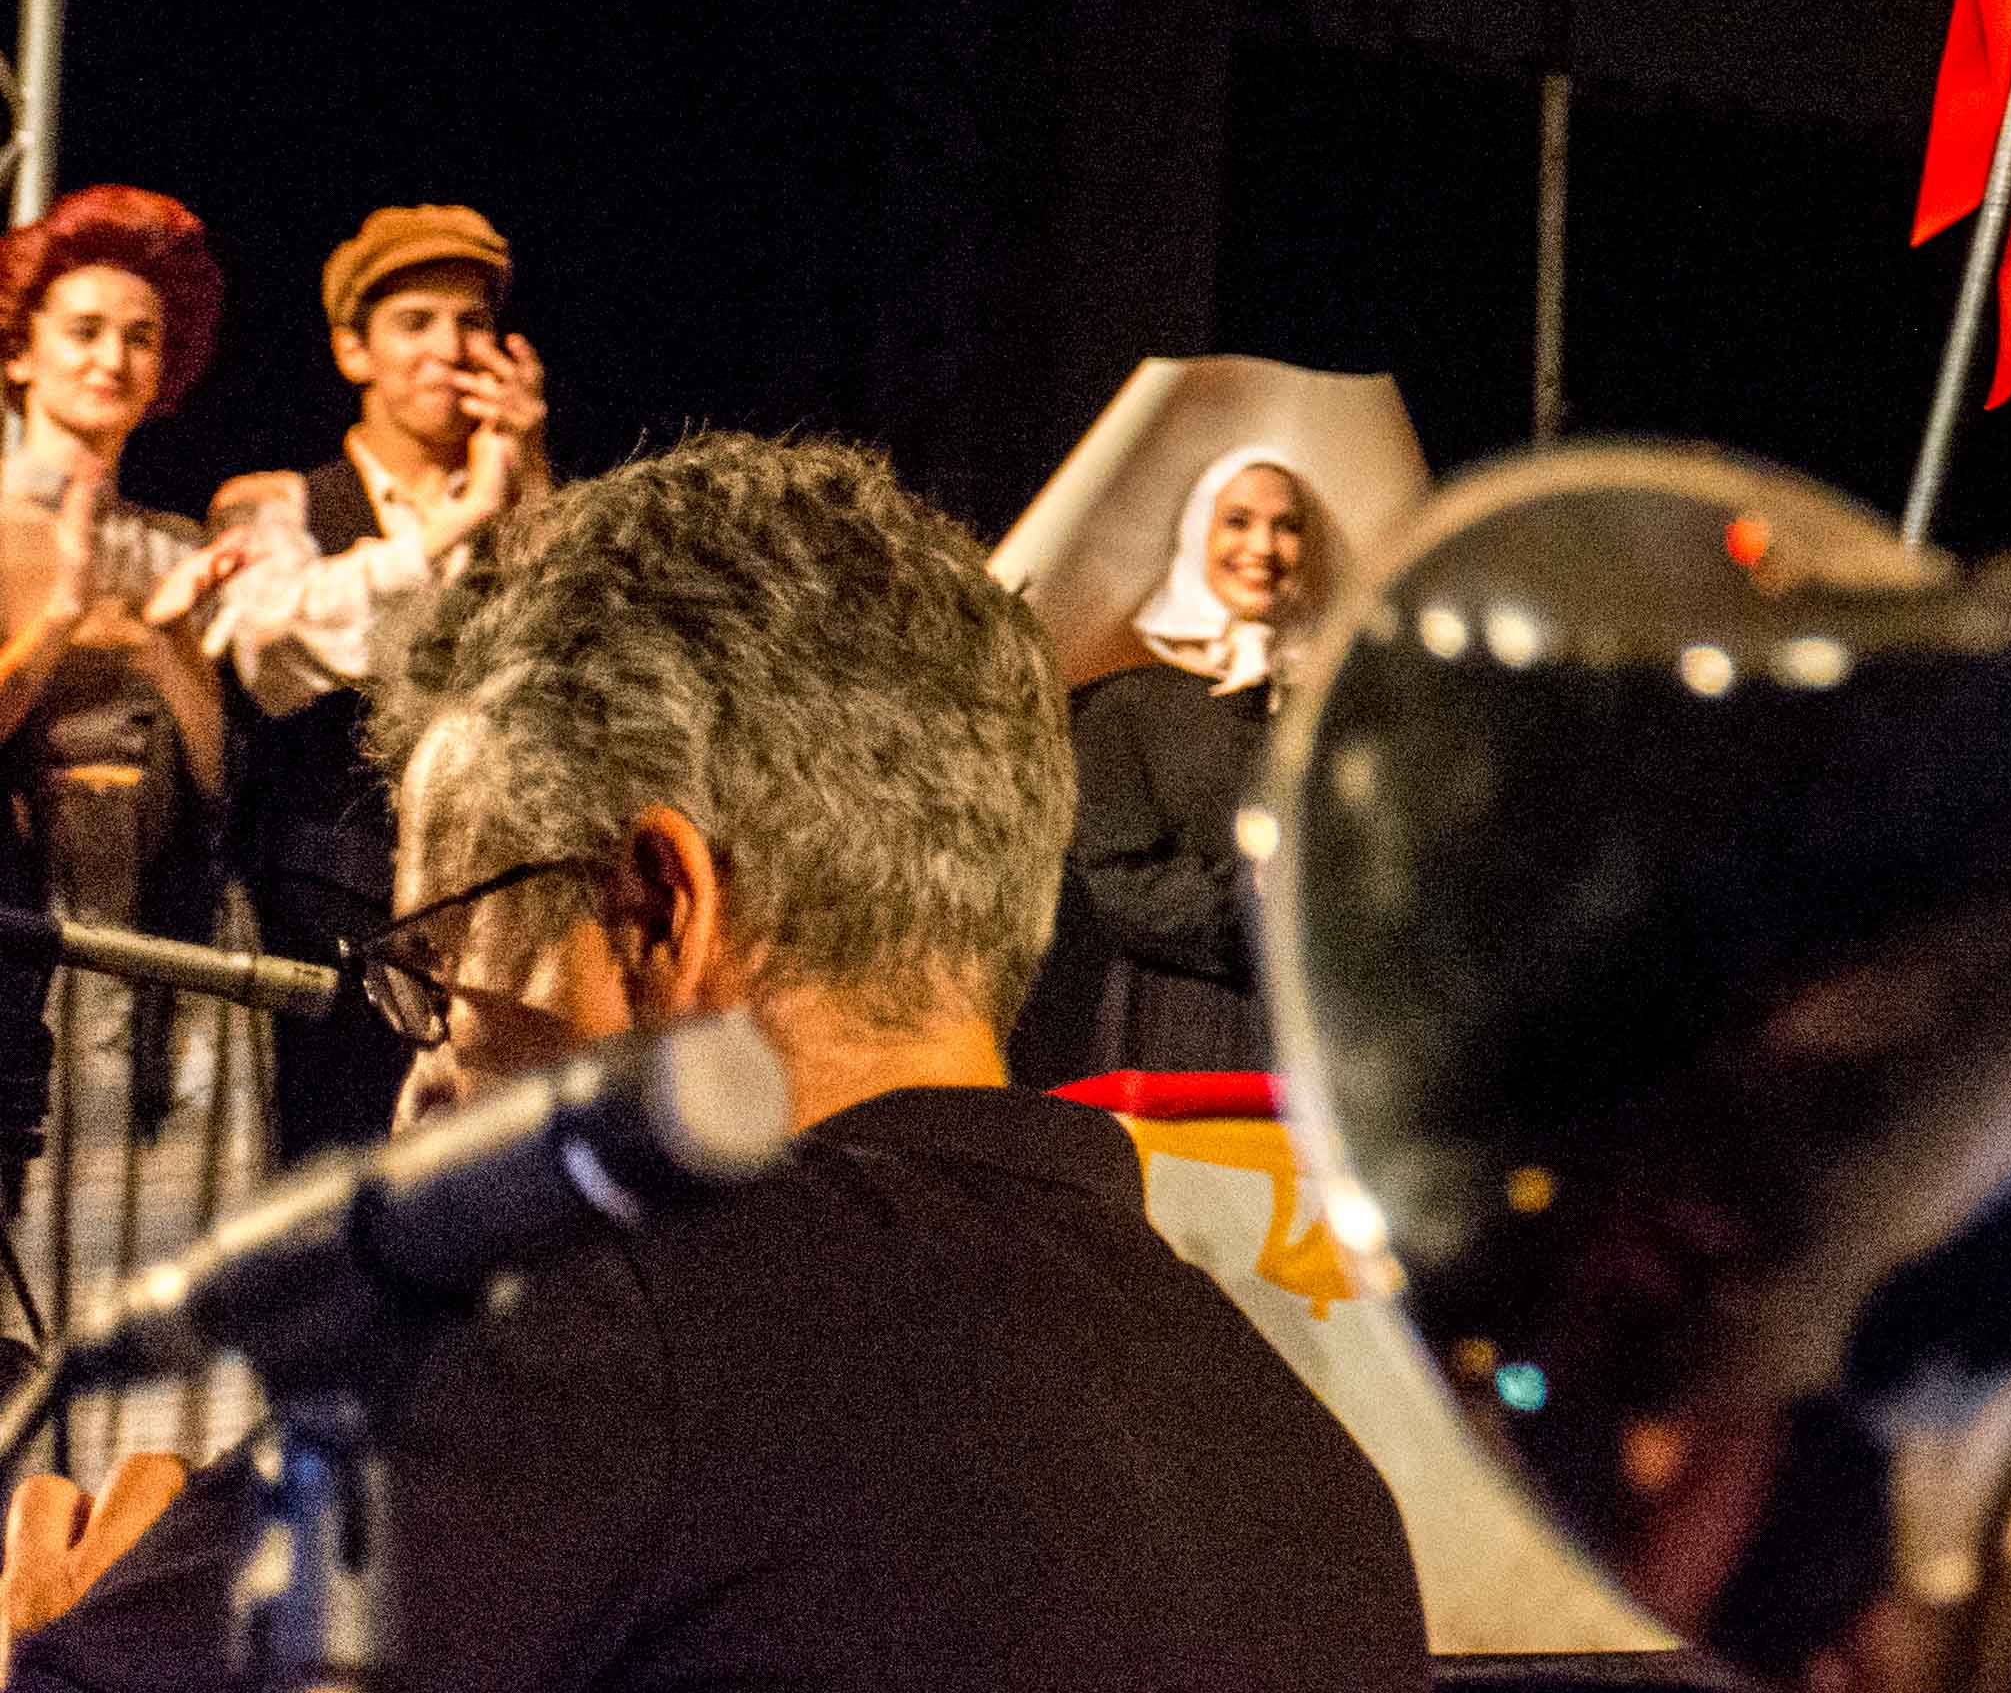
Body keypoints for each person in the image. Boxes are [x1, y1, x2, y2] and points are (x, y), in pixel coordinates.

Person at [18, 432, 1427, 1693]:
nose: (418, 1082)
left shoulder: (586, 1329)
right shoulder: (1312, 1482)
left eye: (441, 967)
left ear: (654, 912)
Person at [204, 200, 551, 1156]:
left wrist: (525, 481)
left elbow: (581, 661)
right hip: (329, 922)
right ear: (354, 352)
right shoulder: (276, 501)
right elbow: (274, 654)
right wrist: (457, 518)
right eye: (416, 323)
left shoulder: (526, 503)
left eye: (471, 322)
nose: (449, 347)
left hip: (498, 924)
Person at [0, 191, 239, 1259]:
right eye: (85, 330)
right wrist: (59, 616)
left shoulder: (173, 541)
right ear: (22, 351)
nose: (113, 358)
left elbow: (212, 776)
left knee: (137, 1238)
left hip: (148, 926)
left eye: (141, 336)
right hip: (21, 917)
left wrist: (163, 644)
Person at [1057, 445, 1323, 1074]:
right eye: (1237, 521)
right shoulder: (1125, 698)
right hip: (1184, 1021)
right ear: (1196, 530)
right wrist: (1264, 905)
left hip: (1316, 1024)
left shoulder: (1328, 697)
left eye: (1286, 526)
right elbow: (1120, 881)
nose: (1262, 545)